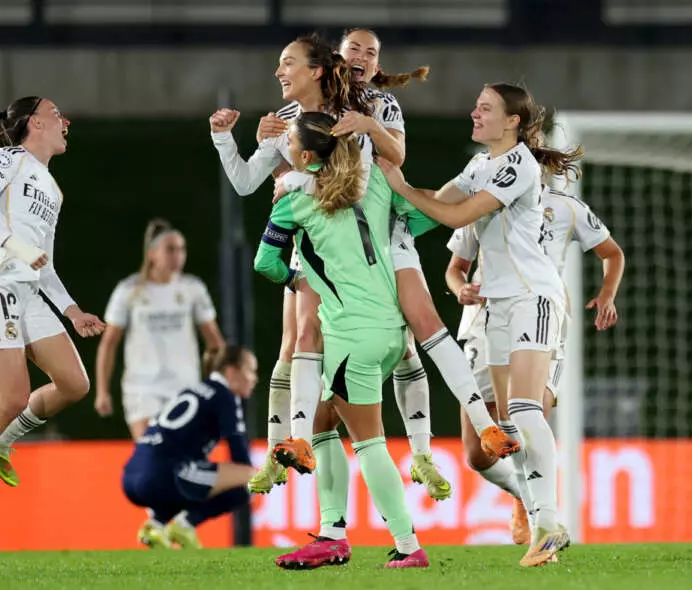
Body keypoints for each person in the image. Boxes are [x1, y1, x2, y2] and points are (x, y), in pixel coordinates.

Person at [212, 30, 513, 501]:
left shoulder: (374, 106)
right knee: (299, 341)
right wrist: (232, 141)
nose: (360, 57)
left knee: (413, 331)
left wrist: (299, 178)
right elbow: (251, 181)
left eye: (371, 52)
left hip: (379, 234)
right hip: (320, 243)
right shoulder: (287, 119)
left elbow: (382, 167)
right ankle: (286, 452)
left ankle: (439, 446)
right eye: (353, 49)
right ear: (336, 58)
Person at [378, 83, 582, 566]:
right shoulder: (478, 166)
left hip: (534, 296)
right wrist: (380, 203)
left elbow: (457, 214)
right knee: (501, 429)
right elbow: (434, 201)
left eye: (485, 108)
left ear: (511, 121)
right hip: (495, 308)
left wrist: (400, 186)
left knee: (527, 409)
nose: (475, 112)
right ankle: (538, 523)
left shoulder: (518, 165)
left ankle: (549, 522)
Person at [254, 111, 435, 569]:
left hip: (350, 337)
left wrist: (300, 278)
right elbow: (423, 218)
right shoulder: (371, 184)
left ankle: (408, 546)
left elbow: (266, 264)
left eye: (291, 143)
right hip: (394, 334)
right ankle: (332, 533)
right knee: (319, 421)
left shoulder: (291, 202)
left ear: (306, 156)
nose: (287, 148)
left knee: (369, 442)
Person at [0, 96, 105, 531]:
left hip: (27, 292)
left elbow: (42, 260)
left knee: (73, 384)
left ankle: (3, 442)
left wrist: (71, 310)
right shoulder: (6, 157)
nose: (65, 120)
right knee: (12, 396)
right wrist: (17, 247)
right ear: (35, 122)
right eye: (57, 114)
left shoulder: (52, 187)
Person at [445, 184, 624, 544]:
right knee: (477, 454)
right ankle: (523, 495)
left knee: (530, 413)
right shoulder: (480, 205)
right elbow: (455, 269)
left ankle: (544, 520)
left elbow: (612, 252)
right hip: (485, 321)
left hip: (543, 317)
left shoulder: (564, 207)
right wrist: (459, 288)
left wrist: (607, 295)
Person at [95, 218, 224, 439]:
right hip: (143, 388)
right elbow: (109, 342)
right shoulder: (129, 291)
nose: (178, 255)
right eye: (170, 249)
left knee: (181, 460)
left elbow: (215, 343)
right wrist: (102, 391)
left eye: (181, 249)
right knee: (150, 454)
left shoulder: (193, 289)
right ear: (152, 253)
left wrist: (216, 385)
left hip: (185, 386)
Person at [122, 345, 258, 550]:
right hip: (163, 476)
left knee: (196, 473)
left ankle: (154, 526)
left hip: (130, 477)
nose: (254, 378)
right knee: (254, 479)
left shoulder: (193, 390)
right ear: (232, 372)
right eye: (250, 370)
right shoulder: (225, 396)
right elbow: (240, 457)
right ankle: (185, 525)